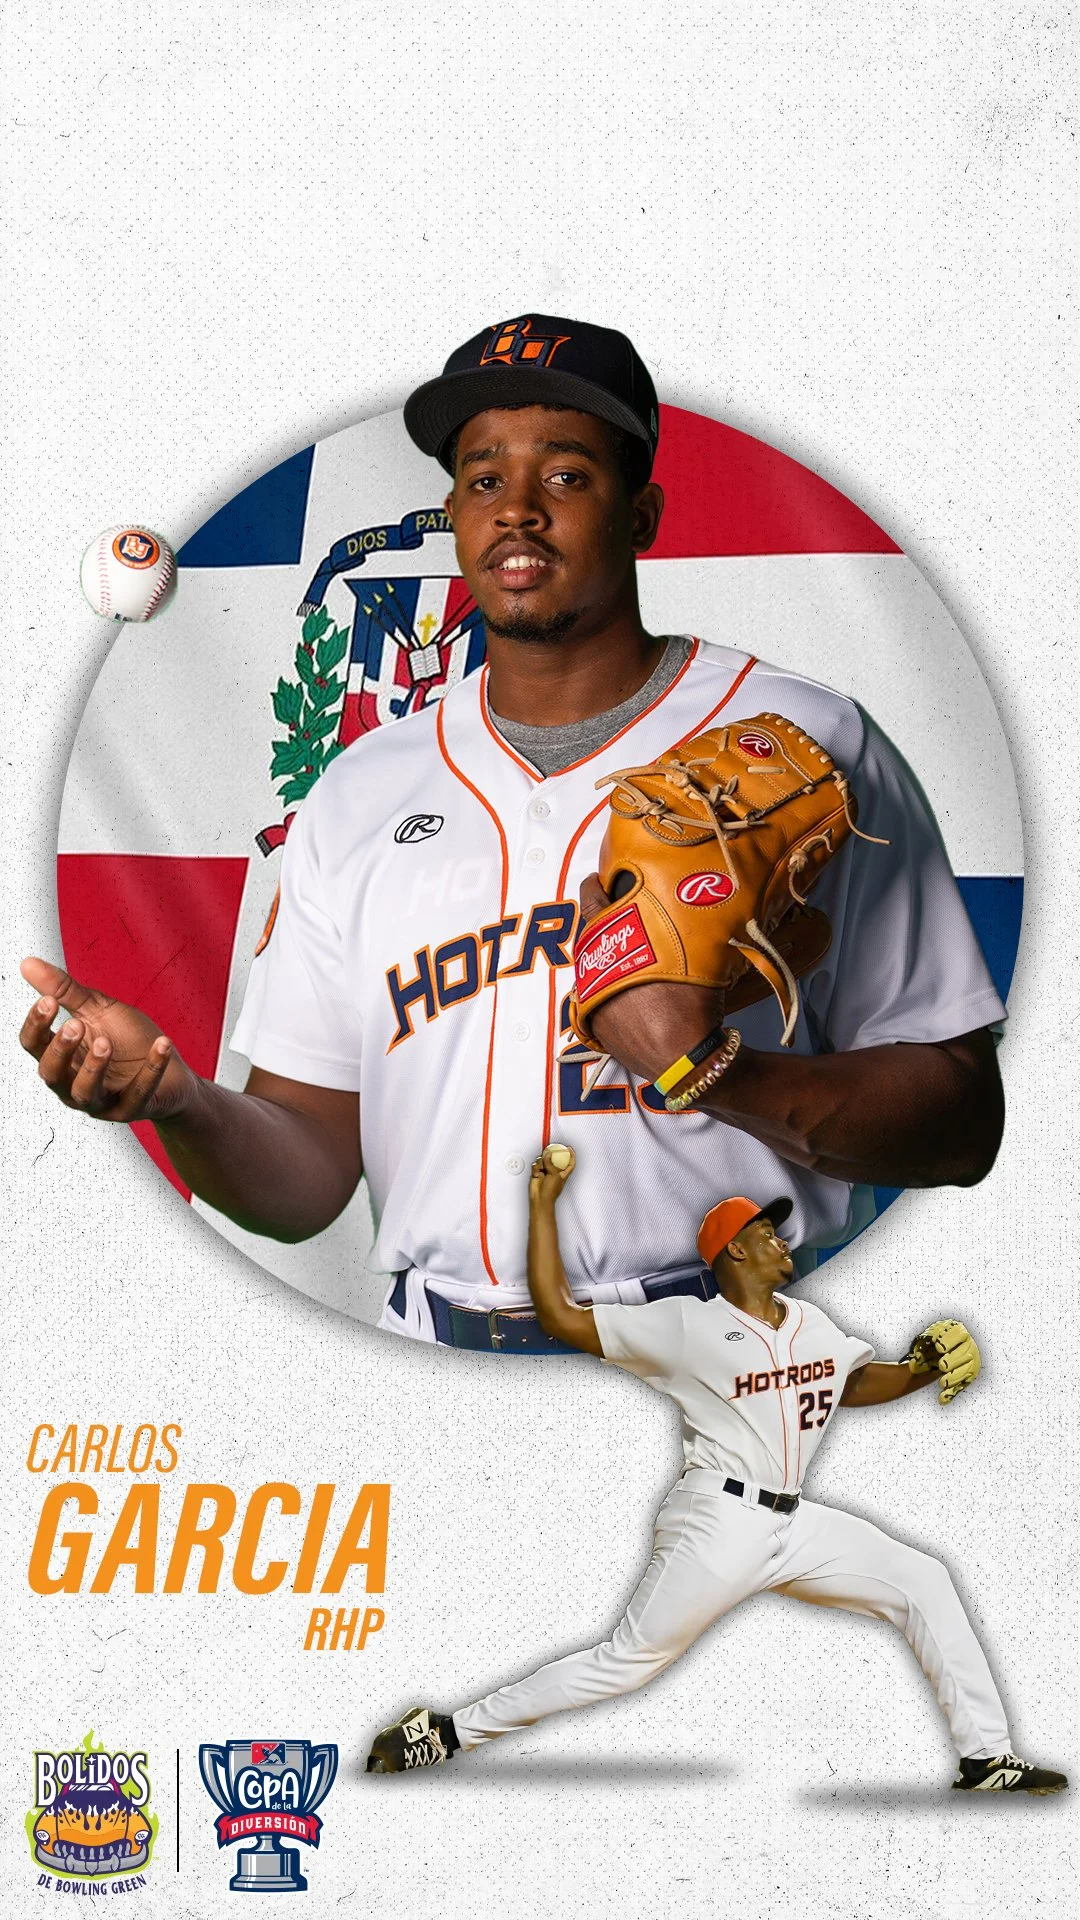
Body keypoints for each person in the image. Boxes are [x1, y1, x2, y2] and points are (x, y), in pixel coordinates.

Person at [20, 315, 1006, 1348]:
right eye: (485, 480)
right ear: (451, 513)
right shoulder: (362, 790)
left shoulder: (804, 744)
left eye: (569, 476)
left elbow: (960, 1119)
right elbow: (305, 1176)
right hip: (437, 1351)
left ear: (644, 514)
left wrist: (713, 1071)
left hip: (718, 1350)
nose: (519, 513)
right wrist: (178, 1100)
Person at [365, 1150, 1067, 1794]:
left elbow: (853, 1384)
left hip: (796, 1522)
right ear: (733, 1250)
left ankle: (986, 1758)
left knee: (923, 1579)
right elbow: (562, 1316)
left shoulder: (811, 1322)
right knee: (626, 1662)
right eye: (766, 1232)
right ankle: (446, 1733)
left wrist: (920, 1369)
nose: (780, 1240)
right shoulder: (685, 1326)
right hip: (718, 1520)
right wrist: (544, 1206)